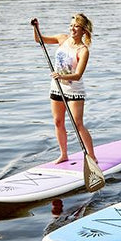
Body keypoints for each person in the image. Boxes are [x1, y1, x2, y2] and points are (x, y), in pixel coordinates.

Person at [32, 14, 97, 164]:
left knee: (78, 123)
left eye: (76, 26)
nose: (72, 28)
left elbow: (78, 75)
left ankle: (92, 156)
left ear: (83, 30)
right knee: (58, 121)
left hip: (74, 91)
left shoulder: (83, 50)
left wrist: (60, 76)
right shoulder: (62, 38)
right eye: (71, 25)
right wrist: (36, 28)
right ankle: (63, 154)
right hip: (56, 89)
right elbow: (39, 39)